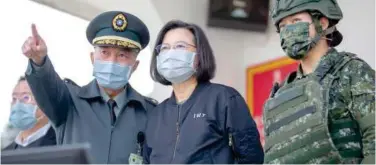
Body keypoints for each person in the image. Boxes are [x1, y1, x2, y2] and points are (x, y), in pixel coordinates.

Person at [21, 11, 157, 164]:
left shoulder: (150, 113)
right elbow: (46, 86)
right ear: (93, 58)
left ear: (135, 65)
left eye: (122, 56)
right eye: (105, 52)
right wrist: (39, 61)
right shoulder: (68, 101)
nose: (112, 61)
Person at [263, 0, 375, 164]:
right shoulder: (281, 94)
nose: (288, 31)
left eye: (296, 21)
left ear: (322, 22)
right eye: (282, 26)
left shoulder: (350, 72)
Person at [145, 20, 264, 164]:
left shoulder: (223, 99)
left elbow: (252, 158)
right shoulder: (156, 115)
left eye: (180, 46)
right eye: (165, 48)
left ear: (199, 55)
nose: (171, 54)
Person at [2, 76, 56, 150]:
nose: (18, 104)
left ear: (46, 102)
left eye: (26, 97)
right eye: (14, 98)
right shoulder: (6, 153)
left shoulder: (62, 143)